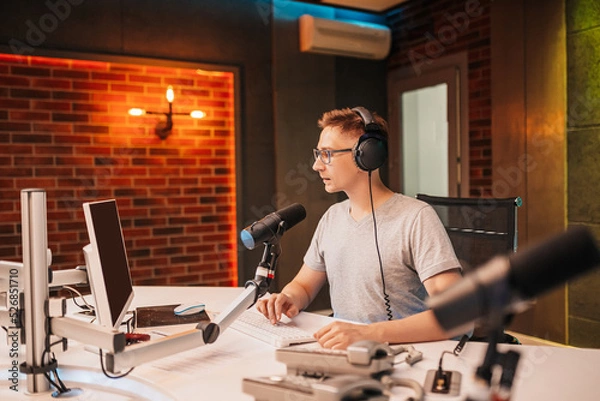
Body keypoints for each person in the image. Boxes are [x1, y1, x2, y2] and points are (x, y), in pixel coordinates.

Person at [256, 107, 467, 349]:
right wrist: (288, 298)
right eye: (318, 153)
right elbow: (304, 285)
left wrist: (368, 333)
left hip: (407, 356)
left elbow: (456, 315)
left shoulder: (416, 218)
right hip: (348, 350)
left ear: (365, 156)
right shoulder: (332, 218)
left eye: (327, 154)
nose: (316, 166)